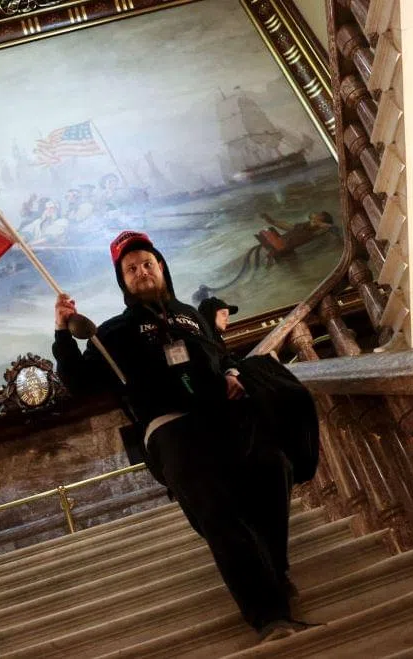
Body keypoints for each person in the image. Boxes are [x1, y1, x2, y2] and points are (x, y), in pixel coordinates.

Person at [52, 231, 313, 642]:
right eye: (131, 269)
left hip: (226, 416)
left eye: (147, 264)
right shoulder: (113, 333)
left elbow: (222, 355)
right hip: (171, 429)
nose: (141, 272)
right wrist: (62, 333)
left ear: (161, 268)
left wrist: (232, 372)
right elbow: (79, 382)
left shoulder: (191, 315)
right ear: (123, 281)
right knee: (217, 511)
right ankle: (269, 615)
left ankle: (274, 569)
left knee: (273, 467)